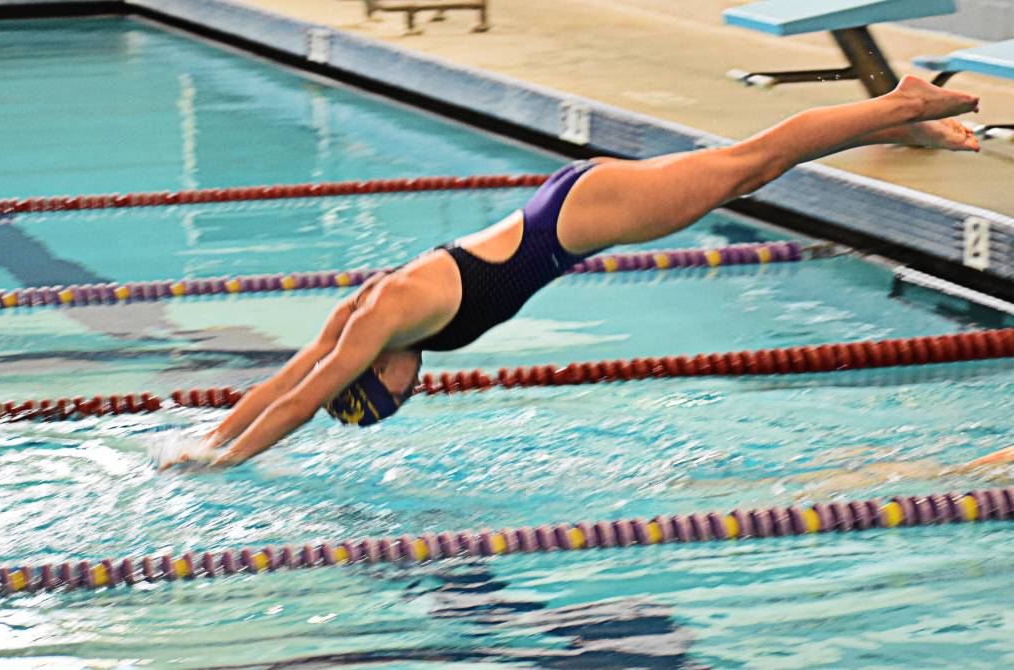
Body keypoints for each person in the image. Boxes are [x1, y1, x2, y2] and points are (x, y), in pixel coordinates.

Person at [167, 76, 983, 469]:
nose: (414, 389)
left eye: (397, 395)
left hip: (578, 219)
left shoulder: (387, 317)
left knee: (751, 163)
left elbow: (304, 399)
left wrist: (228, 461)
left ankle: (903, 102)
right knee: (748, 172)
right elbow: (289, 379)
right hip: (569, 211)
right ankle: (901, 126)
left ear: (378, 374)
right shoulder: (366, 318)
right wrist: (207, 437)